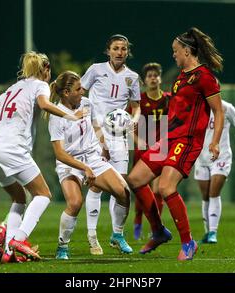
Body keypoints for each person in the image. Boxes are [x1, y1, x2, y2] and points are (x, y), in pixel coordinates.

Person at [126, 27, 225, 260]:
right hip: (168, 139)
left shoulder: (205, 77)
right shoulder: (181, 78)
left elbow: (218, 112)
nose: (173, 55)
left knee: (166, 188)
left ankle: (188, 242)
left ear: (188, 51)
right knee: (136, 180)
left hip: (187, 141)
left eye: (176, 51)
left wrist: (216, 142)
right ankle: (159, 230)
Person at [0, 51, 84, 263]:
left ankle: (8, 253)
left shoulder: (14, 87)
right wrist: (72, 116)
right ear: (45, 69)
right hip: (13, 148)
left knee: (19, 198)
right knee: (43, 194)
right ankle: (18, 239)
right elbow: (45, 104)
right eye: (49, 70)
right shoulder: (40, 85)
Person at [47, 71, 132, 259]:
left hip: (92, 157)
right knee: (75, 203)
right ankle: (63, 246)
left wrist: (104, 145)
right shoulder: (57, 116)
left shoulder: (86, 103)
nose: (82, 91)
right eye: (78, 89)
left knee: (123, 191)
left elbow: (94, 125)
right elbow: (59, 153)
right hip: (69, 162)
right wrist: (84, 168)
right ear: (67, 93)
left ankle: (117, 234)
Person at [81, 34, 141, 255]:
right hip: (96, 134)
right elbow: (80, 95)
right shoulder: (96, 70)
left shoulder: (132, 77)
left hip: (119, 136)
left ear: (127, 51)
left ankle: (118, 234)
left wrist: (133, 122)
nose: (120, 52)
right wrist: (87, 122)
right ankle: (92, 236)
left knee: (121, 188)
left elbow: (136, 107)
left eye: (124, 49)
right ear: (108, 50)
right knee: (96, 184)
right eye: (116, 48)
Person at [195, 100, 235, 244]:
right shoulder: (197, 107)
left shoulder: (226, 107)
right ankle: (207, 232)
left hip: (221, 157)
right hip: (201, 158)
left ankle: (213, 232)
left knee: (214, 192)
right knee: (205, 195)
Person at [131, 62, 171, 240]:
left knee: (157, 190)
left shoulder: (169, 99)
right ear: (145, 80)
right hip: (142, 148)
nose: (153, 78)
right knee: (141, 190)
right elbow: (128, 124)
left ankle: (157, 227)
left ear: (160, 78)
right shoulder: (138, 101)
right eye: (149, 75)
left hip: (160, 147)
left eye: (156, 75)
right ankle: (138, 219)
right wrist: (138, 140)